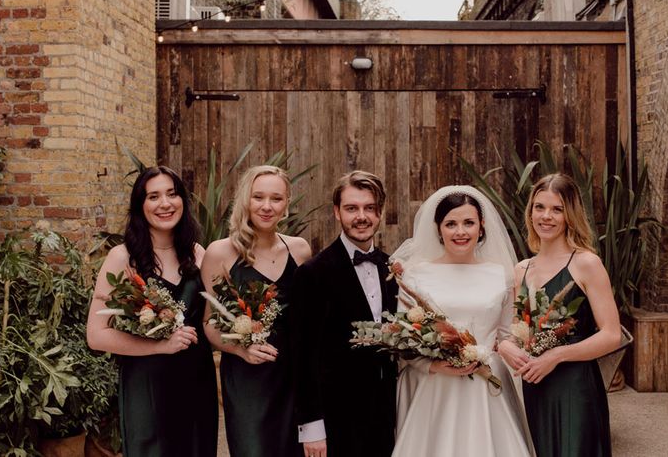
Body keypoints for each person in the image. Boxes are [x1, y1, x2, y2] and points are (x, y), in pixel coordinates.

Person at [390, 186, 533, 457]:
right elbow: (402, 338)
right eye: (451, 224)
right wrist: (434, 365)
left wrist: (505, 348)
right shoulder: (415, 275)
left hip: (486, 388)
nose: (460, 232)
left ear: (481, 227)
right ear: (438, 229)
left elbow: (506, 335)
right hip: (435, 387)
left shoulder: (500, 274)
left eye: (469, 223)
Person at [87, 166, 218, 457]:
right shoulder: (122, 258)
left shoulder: (199, 253)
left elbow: (213, 319)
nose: (165, 204)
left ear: (183, 200)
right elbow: (96, 335)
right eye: (153, 196)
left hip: (196, 381)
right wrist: (160, 345)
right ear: (140, 205)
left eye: (172, 194)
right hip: (146, 384)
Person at [497, 173, 622, 457]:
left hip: (576, 387)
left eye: (557, 209)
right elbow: (520, 330)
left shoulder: (587, 264)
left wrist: (556, 356)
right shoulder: (522, 270)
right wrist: (506, 346)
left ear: (570, 214)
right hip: (536, 387)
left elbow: (612, 335)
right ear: (530, 212)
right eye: (539, 207)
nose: (546, 216)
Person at [201, 165, 311, 457]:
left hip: (293, 377)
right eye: (258, 197)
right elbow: (210, 325)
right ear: (245, 201)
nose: (266, 206)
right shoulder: (220, 253)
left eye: (276, 198)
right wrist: (240, 350)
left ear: (286, 203)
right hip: (248, 380)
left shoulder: (300, 250)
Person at [291, 170, 398, 457]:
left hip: (385, 415)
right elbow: (302, 356)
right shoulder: (313, 274)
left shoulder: (393, 268)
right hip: (335, 419)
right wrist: (312, 426)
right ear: (337, 212)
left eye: (369, 208)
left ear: (379, 212)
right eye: (352, 208)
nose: (361, 216)